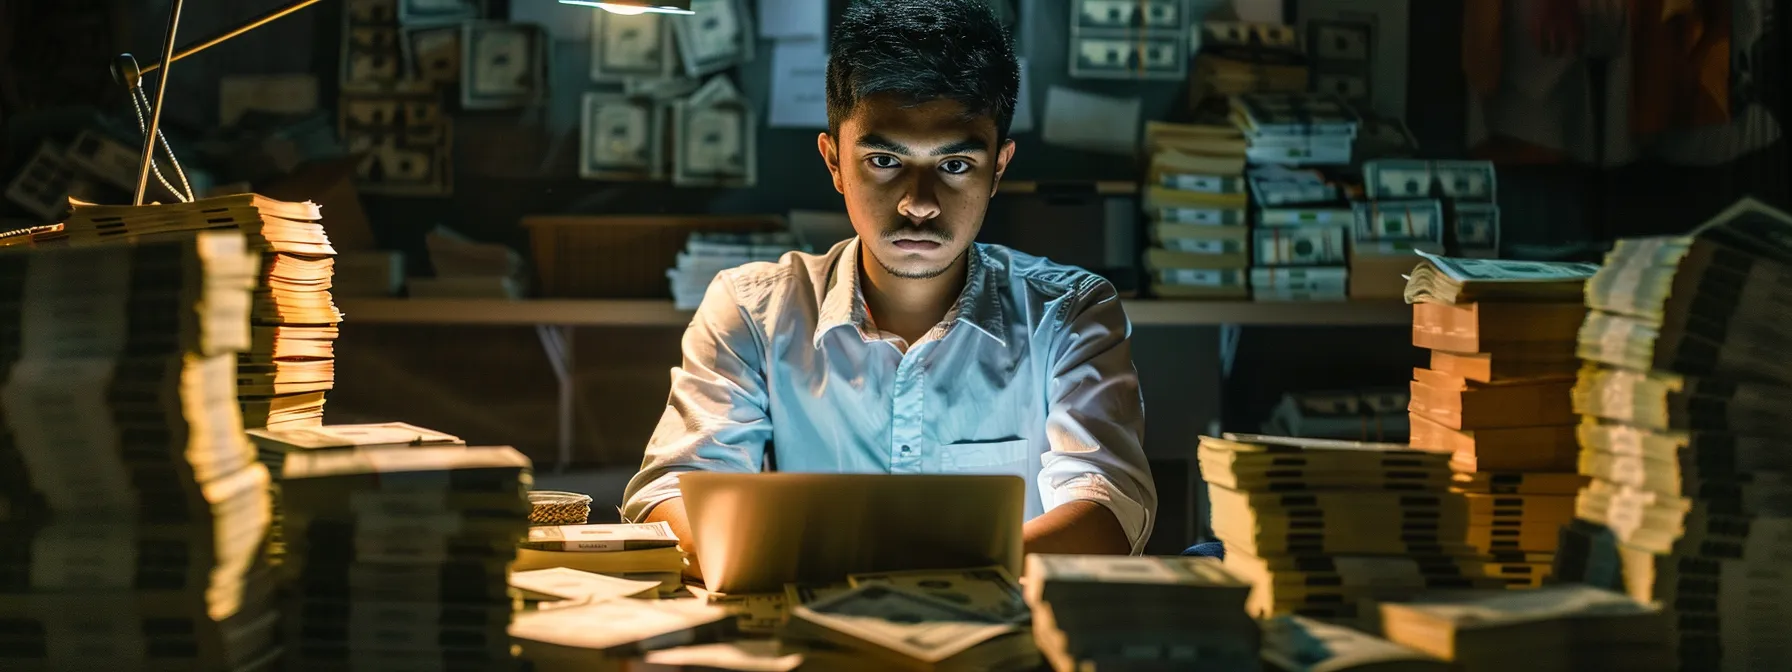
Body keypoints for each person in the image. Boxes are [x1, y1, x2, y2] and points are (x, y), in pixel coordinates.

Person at [621, 0, 1155, 576]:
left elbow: (1109, 510)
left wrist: (865, 568)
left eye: (954, 166)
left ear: (998, 168)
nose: (918, 204)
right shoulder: (753, 311)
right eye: (883, 160)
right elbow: (670, 494)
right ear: (833, 161)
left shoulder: (1070, 313)